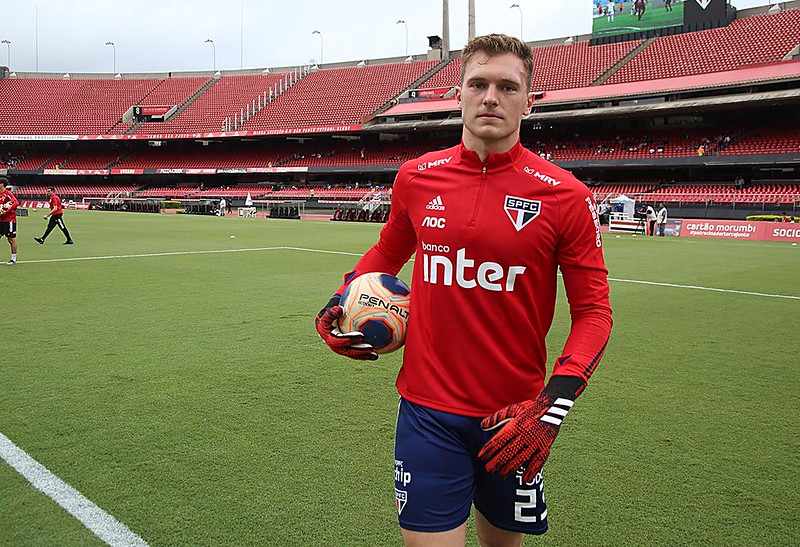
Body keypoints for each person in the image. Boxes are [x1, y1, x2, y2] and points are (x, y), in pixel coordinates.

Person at [315, 34, 612, 546]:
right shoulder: (416, 177)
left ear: (528, 98)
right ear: (460, 93)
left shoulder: (566, 195)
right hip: (427, 411)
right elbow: (387, 253)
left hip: (515, 418)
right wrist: (342, 299)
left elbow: (594, 313)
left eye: (506, 86)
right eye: (478, 83)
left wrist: (553, 403)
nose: (490, 97)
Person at [0, 177, 19, 265]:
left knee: (11, 239)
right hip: (0, 220)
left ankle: (13, 259)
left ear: (2, 184)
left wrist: (6, 212)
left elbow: (15, 203)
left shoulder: (8, 194)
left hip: (9, 220)